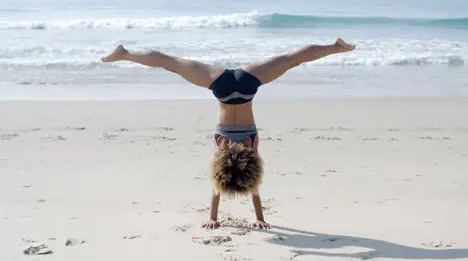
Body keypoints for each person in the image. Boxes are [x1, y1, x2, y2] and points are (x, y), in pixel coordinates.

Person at [101, 38, 355, 229]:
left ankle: (336, 47)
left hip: (246, 85)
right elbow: (218, 187)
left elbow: (251, 187)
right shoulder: (220, 147)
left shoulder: (251, 145)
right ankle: (125, 54)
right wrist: (219, 217)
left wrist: (249, 218)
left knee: (290, 60)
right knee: (172, 64)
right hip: (222, 87)